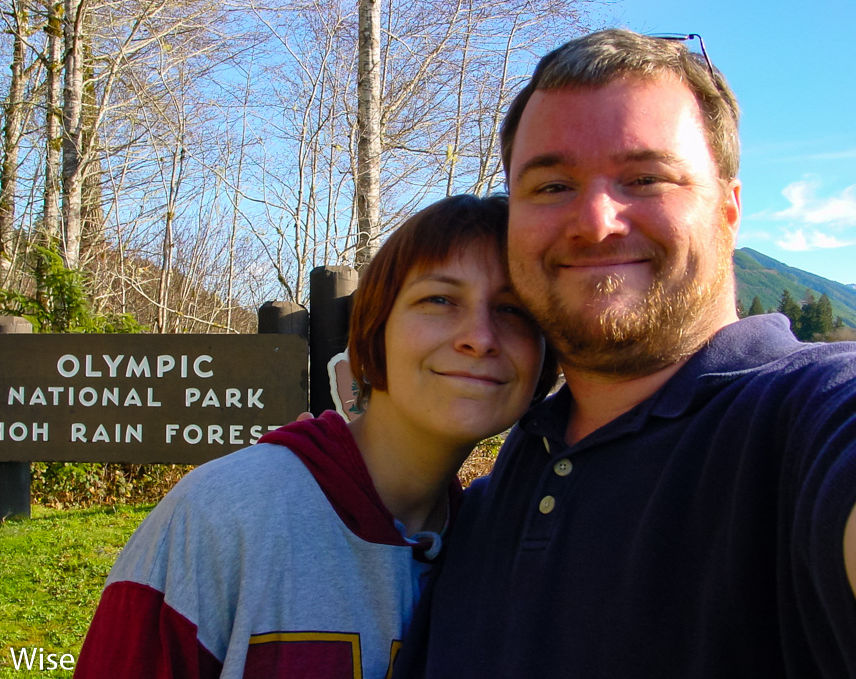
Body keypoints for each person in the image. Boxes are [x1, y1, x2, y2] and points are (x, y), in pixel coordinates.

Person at [393, 29, 856, 678]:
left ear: (728, 210)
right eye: (551, 186)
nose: (596, 220)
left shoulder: (805, 422)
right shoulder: (488, 502)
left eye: (645, 177)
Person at [74, 194, 557, 678]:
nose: (480, 336)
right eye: (439, 299)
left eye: (514, 310)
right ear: (374, 328)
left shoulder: (507, 548)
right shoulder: (220, 517)